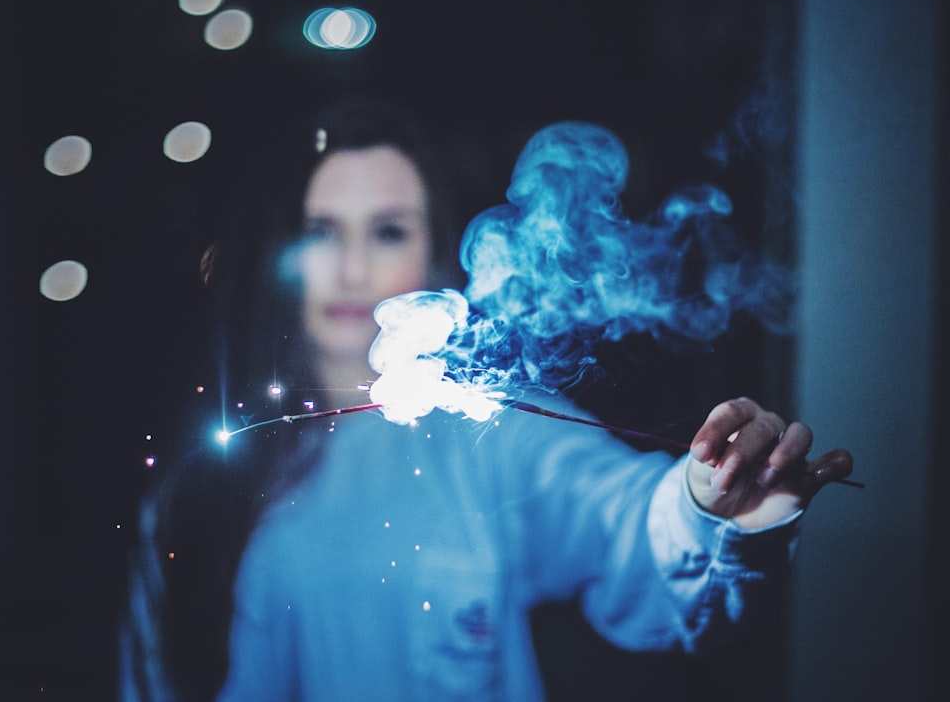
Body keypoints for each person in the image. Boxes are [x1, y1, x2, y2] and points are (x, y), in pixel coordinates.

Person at [120, 98, 854, 701]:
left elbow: (620, 512)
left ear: (432, 247)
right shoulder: (200, 488)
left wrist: (705, 502)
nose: (349, 267)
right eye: (322, 232)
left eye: (387, 231)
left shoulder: (490, 433)